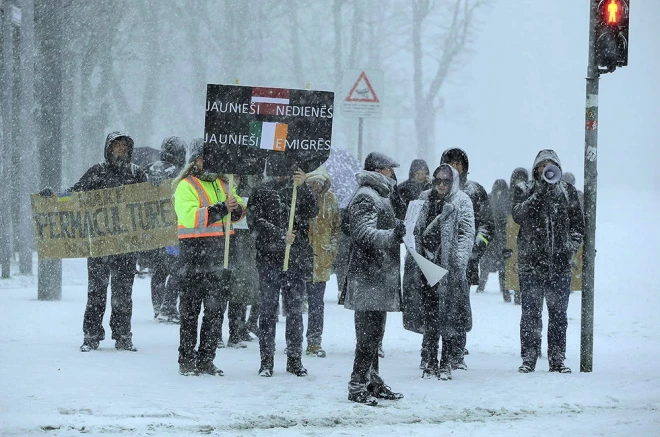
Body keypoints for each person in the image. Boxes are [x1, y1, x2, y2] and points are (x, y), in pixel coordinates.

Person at [40, 131, 147, 352]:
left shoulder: (137, 174)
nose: (120, 148)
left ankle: (123, 336)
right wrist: (54, 198)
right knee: (96, 292)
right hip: (99, 245)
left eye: (124, 145)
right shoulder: (96, 172)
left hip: (127, 246)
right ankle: (91, 335)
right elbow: (74, 194)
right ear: (108, 148)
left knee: (123, 294)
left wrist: (156, 185)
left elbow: (152, 204)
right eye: (116, 145)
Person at [173, 140, 245, 376]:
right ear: (195, 161)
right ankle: (186, 359)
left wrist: (235, 208)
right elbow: (190, 216)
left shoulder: (224, 184)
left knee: (215, 313)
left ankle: (206, 359)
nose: (208, 162)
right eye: (204, 158)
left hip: (220, 260)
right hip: (193, 258)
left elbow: (239, 209)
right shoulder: (185, 186)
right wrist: (222, 208)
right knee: (190, 312)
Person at [341, 152, 405, 406]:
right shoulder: (366, 196)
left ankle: (373, 381)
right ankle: (357, 385)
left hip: (378, 275)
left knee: (375, 334)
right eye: (390, 169)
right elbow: (363, 234)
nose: (393, 174)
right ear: (379, 170)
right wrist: (392, 235)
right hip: (368, 276)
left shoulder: (381, 196)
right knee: (368, 336)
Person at [512, 150, 584, 374]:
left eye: (550, 165)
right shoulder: (524, 189)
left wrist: (569, 247)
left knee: (558, 316)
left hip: (559, 266)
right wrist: (538, 194)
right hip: (531, 265)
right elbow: (518, 215)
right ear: (535, 168)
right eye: (542, 165)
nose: (546, 169)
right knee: (530, 314)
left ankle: (557, 360)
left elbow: (578, 226)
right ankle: (529, 359)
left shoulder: (568, 191)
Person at [247, 157, 319, 377]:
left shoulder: (297, 190)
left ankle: (294, 359)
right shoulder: (261, 190)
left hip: (294, 259)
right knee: (268, 310)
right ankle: (266, 360)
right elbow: (254, 221)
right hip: (268, 259)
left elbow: (312, 211)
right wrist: (279, 236)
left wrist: (304, 187)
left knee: (294, 311)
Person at [413, 164, 475, 381]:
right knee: (429, 317)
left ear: (453, 182)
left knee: (449, 318)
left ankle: (446, 361)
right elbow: (414, 227)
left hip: (450, 269)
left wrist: (457, 264)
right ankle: (429, 360)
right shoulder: (424, 198)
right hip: (426, 265)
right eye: (438, 180)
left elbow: (467, 234)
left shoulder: (462, 201)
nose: (441, 184)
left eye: (446, 181)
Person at [439, 148, 493, 369]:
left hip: (465, 262)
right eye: (450, 162)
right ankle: (436, 352)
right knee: (438, 307)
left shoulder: (475, 190)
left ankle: (457, 352)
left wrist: (473, 249)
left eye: (459, 163)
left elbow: (487, 225)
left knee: (460, 307)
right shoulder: (436, 189)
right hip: (438, 262)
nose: (455, 166)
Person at [144, 136, 187, 323]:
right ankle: (168, 306)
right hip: (173, 229)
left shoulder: (149, 169)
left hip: (153, 230)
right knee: (176, 269)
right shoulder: (179, 172)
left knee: (159, 270)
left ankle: (158, 306)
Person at [219, 173, 260, 349]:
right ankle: (216, 334)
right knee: (220, 294)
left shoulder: (248, 190)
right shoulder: (218, 188)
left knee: (239, 291)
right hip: (222, 244)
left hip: (244, 246)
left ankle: (236, 332)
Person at [304, 165, 340, 358]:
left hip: (321, 259)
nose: (315, 186)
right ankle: (293, 340)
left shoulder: (331, 200)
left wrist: (332, 248)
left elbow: (336, 228)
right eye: (312, 182)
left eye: (319, 182)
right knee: (296, 303)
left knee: (316, 304)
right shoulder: (299, 199)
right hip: (301, 259)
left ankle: (314, 341)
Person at [476, 179, 509, 301]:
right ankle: (481, 286)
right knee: (485, 265)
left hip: (502, 237)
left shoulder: (508, 201)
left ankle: (504, 289)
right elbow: (484, 214)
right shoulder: (489, 198)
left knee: (503, 266)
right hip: (491, 236)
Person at [506, 167, 530, 305]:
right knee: (511, 264)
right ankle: (514, 292)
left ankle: (520, 292)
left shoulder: (528, 194)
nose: (519, 182)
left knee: (522, 264)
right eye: (517, 179)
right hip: (510, 235)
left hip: (524, 234)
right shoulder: (509, 195)